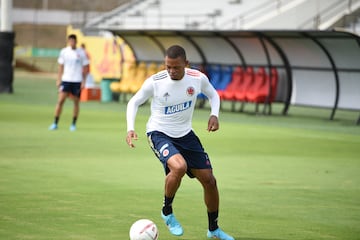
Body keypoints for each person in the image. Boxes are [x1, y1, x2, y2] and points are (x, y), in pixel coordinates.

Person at [126, 45, 234, 240]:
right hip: (159, 133)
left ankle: (214, 229)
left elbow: (213, 94)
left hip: (186, 134)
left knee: (210, 181)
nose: (171, 71)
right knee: (179, 167)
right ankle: (167, 211)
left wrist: (214, 115)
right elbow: (134, 102)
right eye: (168, 67)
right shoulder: (156, 82)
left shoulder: (197, 78)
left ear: (186, 64)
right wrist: (130, 128)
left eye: (176, 67)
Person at [49, 34, 89, 131]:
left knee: (76, 102)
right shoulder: (64, 52)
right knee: (60, 101)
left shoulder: (81, 52)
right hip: (66, 80)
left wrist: (84, 81)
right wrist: (59, 79)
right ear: (68, 41)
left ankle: (73, 124)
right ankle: (55, 123)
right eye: (70, 41)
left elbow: (85, 67)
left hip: (77, 80)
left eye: (73, 41)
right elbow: (60, 66)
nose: (72, 43)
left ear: (76, 41)